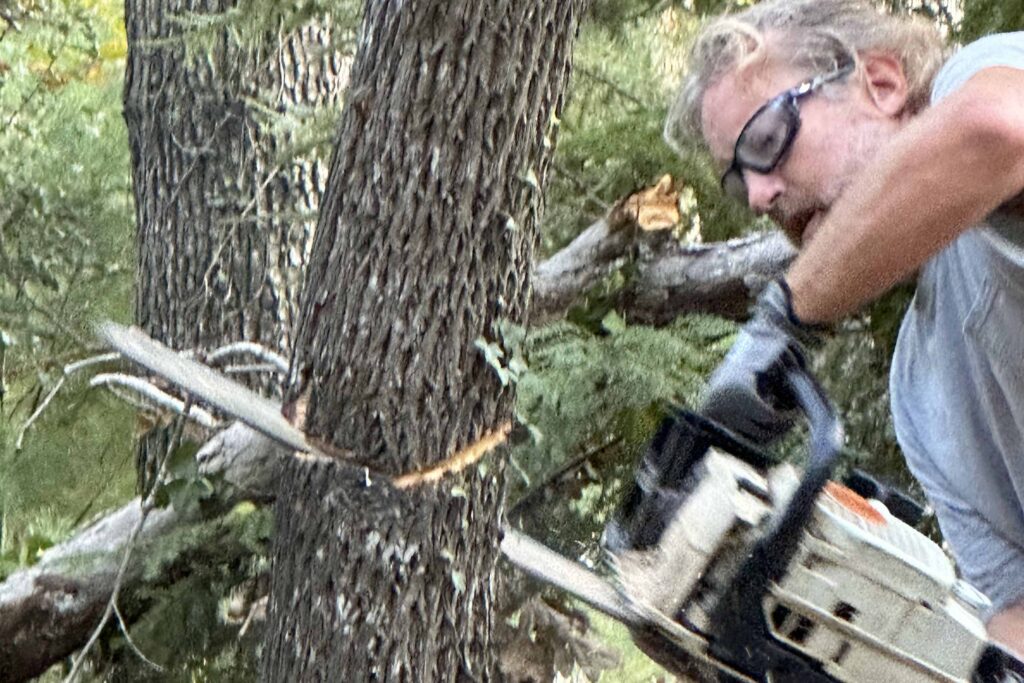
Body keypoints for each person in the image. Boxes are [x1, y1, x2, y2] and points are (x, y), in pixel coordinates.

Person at [664, 0, 1024, 655]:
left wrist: (782, 323)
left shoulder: (981, 77)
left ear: (881, 83)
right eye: (741, 185)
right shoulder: (922, 394)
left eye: (768, 143)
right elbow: (1016, 623)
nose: (763, 197)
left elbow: (998, 130)